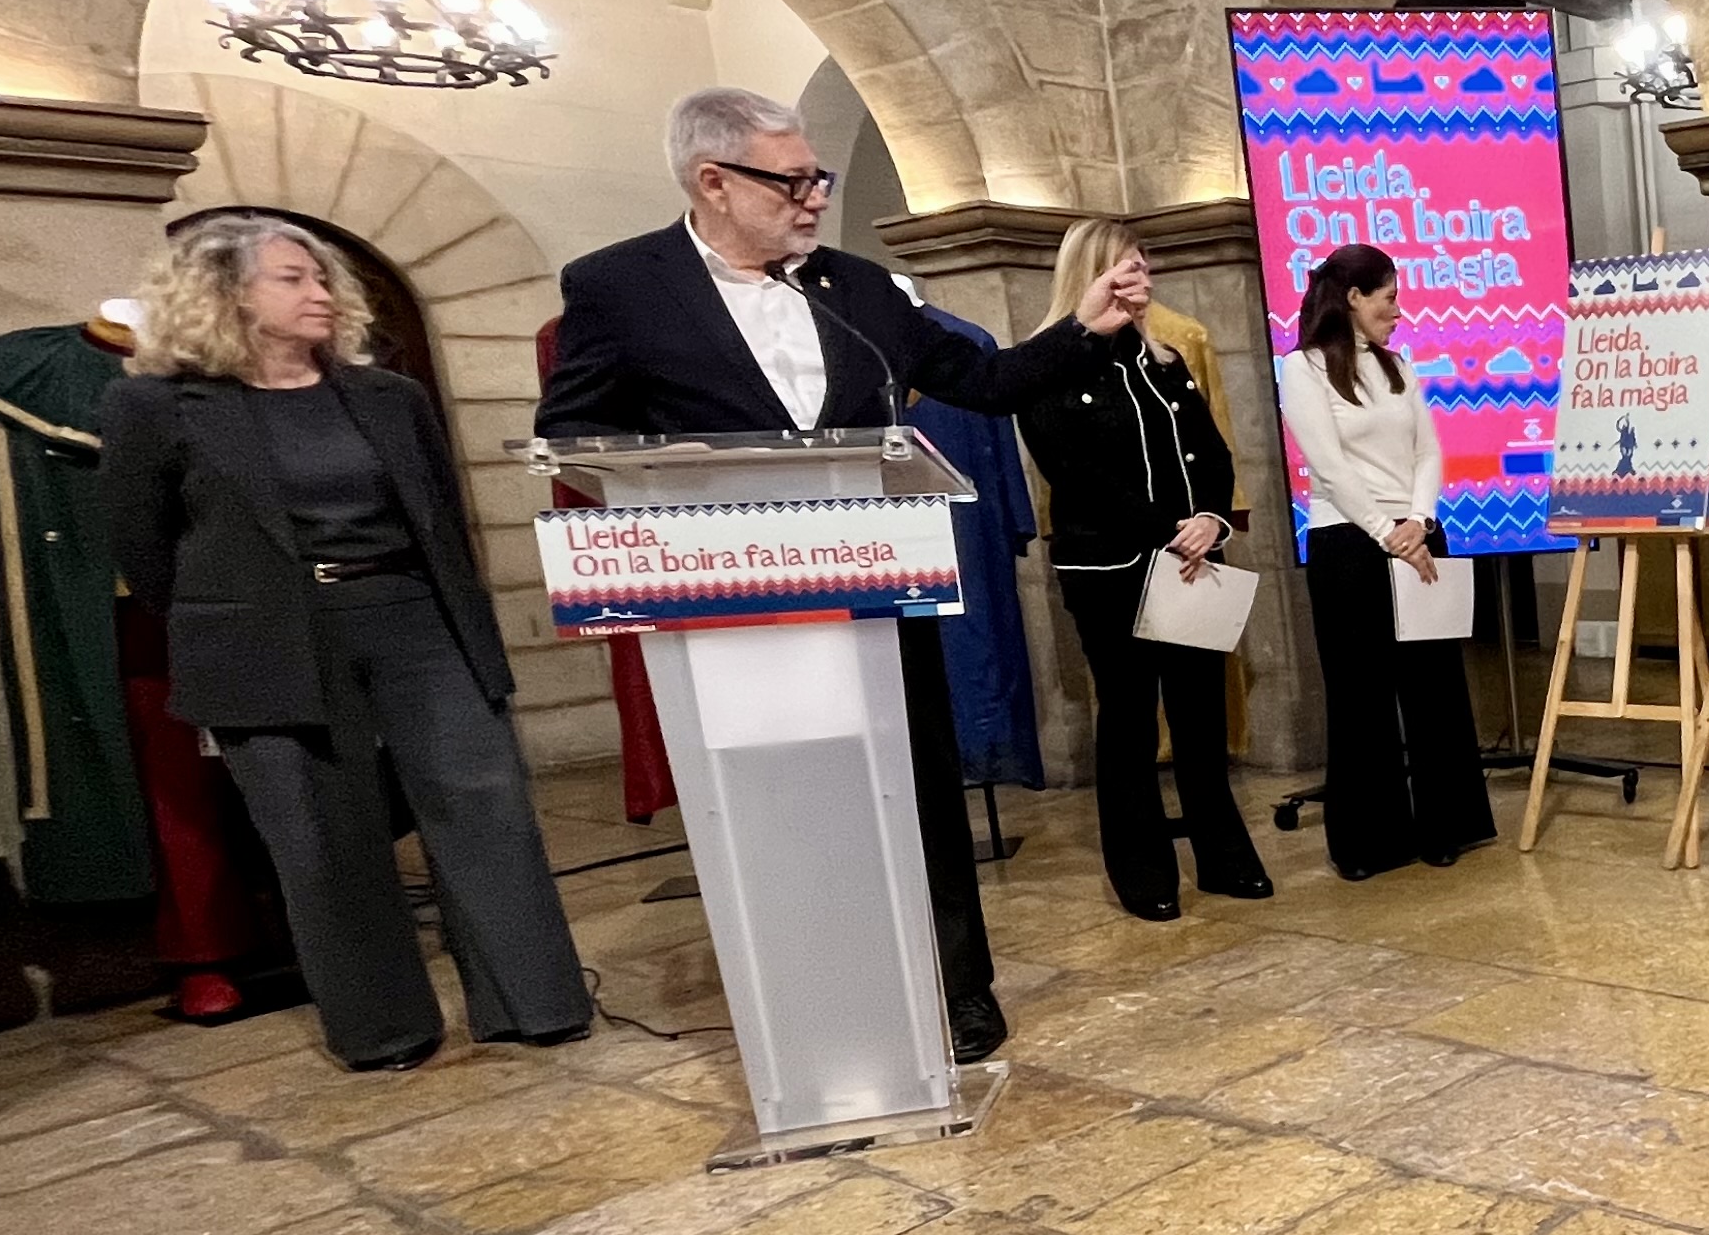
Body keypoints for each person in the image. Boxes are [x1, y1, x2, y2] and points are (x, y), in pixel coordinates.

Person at [536, 88, 1144, 1062]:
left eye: (816, 176)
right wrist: (684, 479)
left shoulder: (860, 288)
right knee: (787, 806)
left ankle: (959, 988)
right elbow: (570, 432)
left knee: (920, 791)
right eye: (793, 181)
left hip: (874, 578)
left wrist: (1084, 326)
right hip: (738, 601)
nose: (817, 196)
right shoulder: (619, 285)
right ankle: (822, 992)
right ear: (713, 181)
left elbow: (981, 384)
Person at [99, 212, 590, 1072]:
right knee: (321, 834)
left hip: (414, 616)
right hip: (267, 636)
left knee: (484, 804)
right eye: (293, 278)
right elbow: (145, 549)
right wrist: (232, 615)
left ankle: (533, 1003)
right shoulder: (154, 406)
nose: (321, 292)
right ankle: (384, 1028)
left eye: (324, 277)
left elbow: (442, 521)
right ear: (225, 294)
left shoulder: (388, 396)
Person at [1019, 219, 1274, 919]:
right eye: (1129, 269)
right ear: (1093, 275)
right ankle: (1142, 872)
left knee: (1200, 716)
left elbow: (1211, 452)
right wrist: (1168, 531)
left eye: (1145, 267)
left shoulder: (1164, 359)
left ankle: (1223, 857)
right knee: (1129, 720)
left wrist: (1212, 518)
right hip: (1111, 568)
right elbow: (1076, 472)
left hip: (1192, 560)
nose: (1145, 281)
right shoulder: (1047, 363)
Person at [1278, 242, 1493, 880]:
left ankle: (1446, 825)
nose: (1398, 311)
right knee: (1360, 694)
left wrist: (1419, 521)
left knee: (1434, 687)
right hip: (1349, 541)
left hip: (1417, 536)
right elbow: (1329, 464)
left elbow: (1428, 451)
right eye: (1389, 297)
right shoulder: (1303, 368)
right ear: (1352, 298)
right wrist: (1385, 531)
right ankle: (1369, 841)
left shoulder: (1399, 365)